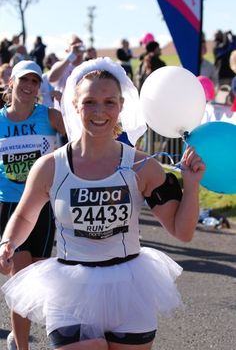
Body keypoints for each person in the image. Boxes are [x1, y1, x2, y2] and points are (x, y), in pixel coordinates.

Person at [0, 57, 205, 350]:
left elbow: (181, 231)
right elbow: (24, 216)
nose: (99, 111)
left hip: (130, 288)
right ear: (74, 104)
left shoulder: (141, 165)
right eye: (89, 102)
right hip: (70, 290)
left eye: (109, 102)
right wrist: (8, 242)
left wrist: (192, 185)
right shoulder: (49, 167)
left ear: (121, 105)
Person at [0, 60, 65, 350]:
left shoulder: (50, 117)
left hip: (44, 207)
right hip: (10, 206)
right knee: (22, 276)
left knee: (38, 278)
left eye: (35, 82)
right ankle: (22, 345)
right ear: (10, 82)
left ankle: (18, 334)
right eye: (23, 80)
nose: (29, 86)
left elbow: (84, 139)